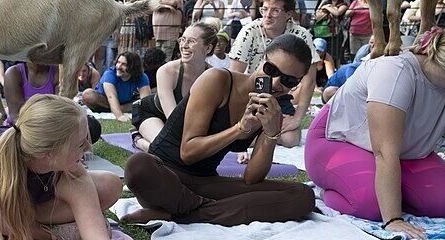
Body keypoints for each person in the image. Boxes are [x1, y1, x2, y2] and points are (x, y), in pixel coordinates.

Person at [306, 22, 445, 239]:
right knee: (372, 204)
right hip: (338, 141)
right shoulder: (396, 72)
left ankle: (376, 185)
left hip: (402, 151)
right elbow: (385, 153)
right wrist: (393, 218)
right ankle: (329, 190)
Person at [121, 34, 315, 226]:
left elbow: (251, 179)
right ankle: (203, 209)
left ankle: (184, 213)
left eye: (289, 81)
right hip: (164, 179)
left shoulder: (272, 112)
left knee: (302, 195)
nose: (275, 83)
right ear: (261, 60)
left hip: (203, 184)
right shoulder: (218, 79)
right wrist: (240, 128)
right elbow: (188, 152)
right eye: (271, 69)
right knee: (137, 165)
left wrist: (271, 133)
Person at [0, 94, 123, 239]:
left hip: (31, 207)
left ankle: (21, 227)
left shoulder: (72, 170)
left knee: (111, 184)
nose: (88, 148)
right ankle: (44, 231)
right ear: (49, 153)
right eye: (81, 144)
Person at [228, 0, 320, 148]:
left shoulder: (301, 34)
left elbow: (310, 81)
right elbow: (234, 76)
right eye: (264, 9)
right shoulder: (249, 31)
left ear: (288, 14)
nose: (267, 15)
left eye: (275, 11)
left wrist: (297, 119)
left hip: (281, 97)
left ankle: (258, 136)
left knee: (291, 139)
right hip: (252, 94)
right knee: (238, 137)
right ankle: (258, 136)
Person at [131, 23, 218, 152]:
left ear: (208, 48)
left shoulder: (214, 76)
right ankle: (139, 141)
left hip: (184, 123)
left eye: (191, 41)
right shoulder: (166, 71)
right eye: (182, 39)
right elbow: (173, 117)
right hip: (152, 113)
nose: (184, 45)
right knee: (170, 151)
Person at [4, 62, 103, 143]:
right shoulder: (13, 73)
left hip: (52, 126)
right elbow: (16, 116)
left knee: (92, 127)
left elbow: (60, 110)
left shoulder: (58, 72)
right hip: (23, 129)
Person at [81, 52, 151, 122]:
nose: (118, 66)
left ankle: (118, 108)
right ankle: (116, 109)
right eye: (118, 62)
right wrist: (120, 116)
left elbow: (145, 100)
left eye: (124, 64)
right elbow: (111, 97)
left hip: (126, 102)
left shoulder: (142, 77)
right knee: (88, 95)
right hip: (105, 102)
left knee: (149, 98)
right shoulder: (110, 74)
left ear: (133, 67)